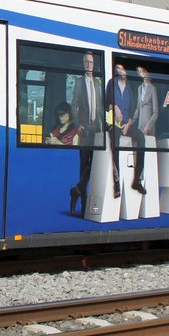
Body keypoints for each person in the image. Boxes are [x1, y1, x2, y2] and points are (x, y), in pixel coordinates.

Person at [105, 62, 146, 197]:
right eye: (118, 69)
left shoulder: (129, 87)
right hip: (113, 123)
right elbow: (106, 103)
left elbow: (133, 110)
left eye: (122, 69)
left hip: (126, 124)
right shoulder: (111, 83)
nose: (120, 71)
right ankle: (116, 182)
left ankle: (137, 180)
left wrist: (128, 125)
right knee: (115, 141)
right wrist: (114, 107)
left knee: (141, 137)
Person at [69, 51, 102, 215]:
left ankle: (77, 189)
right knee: (84, 165)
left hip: (96, 129)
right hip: (84, 128)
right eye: (86, 62)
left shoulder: (97, 82)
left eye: (91, 62)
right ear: (83, 64)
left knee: (94, 164)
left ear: (94, 64)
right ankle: (83, 204)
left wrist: (105, 126)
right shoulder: (79, 82)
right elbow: (74, 105)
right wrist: (77, 125)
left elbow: (100, 107)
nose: (89, 65)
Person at [135, 65, 159, 188]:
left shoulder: (152, 89)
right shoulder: (139, 88)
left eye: (143, 71)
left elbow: (156, 112)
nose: (142, 74)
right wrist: (130, 122)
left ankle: (146, 182)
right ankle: (138, 180)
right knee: (139, 154)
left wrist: (148, 126)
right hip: (140, 127)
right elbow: (137, 109)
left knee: (147, 155)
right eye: (139, 72)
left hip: (148, 128)